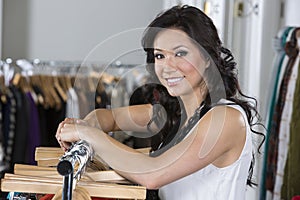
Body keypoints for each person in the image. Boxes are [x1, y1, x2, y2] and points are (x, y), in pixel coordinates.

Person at [56, 5, 265, 200]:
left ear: (208, 57)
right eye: (159, 56)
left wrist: (87, 134)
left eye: (180, 53)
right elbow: (107, 117)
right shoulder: (174, 115)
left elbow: (153, 173)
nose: (167, 67)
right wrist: (86, 125)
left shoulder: (227, 118)